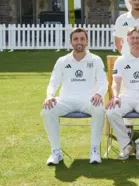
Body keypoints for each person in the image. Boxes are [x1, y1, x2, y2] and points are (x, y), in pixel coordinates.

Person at [41, 28, 107, 165]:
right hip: (66, 100)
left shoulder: (96, 60)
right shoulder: (62, 60)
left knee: (99, 108)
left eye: (82, 39)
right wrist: (49, 95)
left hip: (88, 99)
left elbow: (103, 83)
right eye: (76, 39)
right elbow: (53, 82)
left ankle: (94, 150)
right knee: (47, 110)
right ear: (71, 42)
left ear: (87, 41)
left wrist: (98, 94)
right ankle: (56, 152)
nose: (79, 42)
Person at [106, 27, 139, 160]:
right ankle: (126, 145)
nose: (135, 41)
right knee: (111, 112)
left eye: (138, 38)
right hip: (126, 96)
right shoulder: (121, 60)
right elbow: (115, 82)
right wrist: (116, 96)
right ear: (127, 40)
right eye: (132, 38)